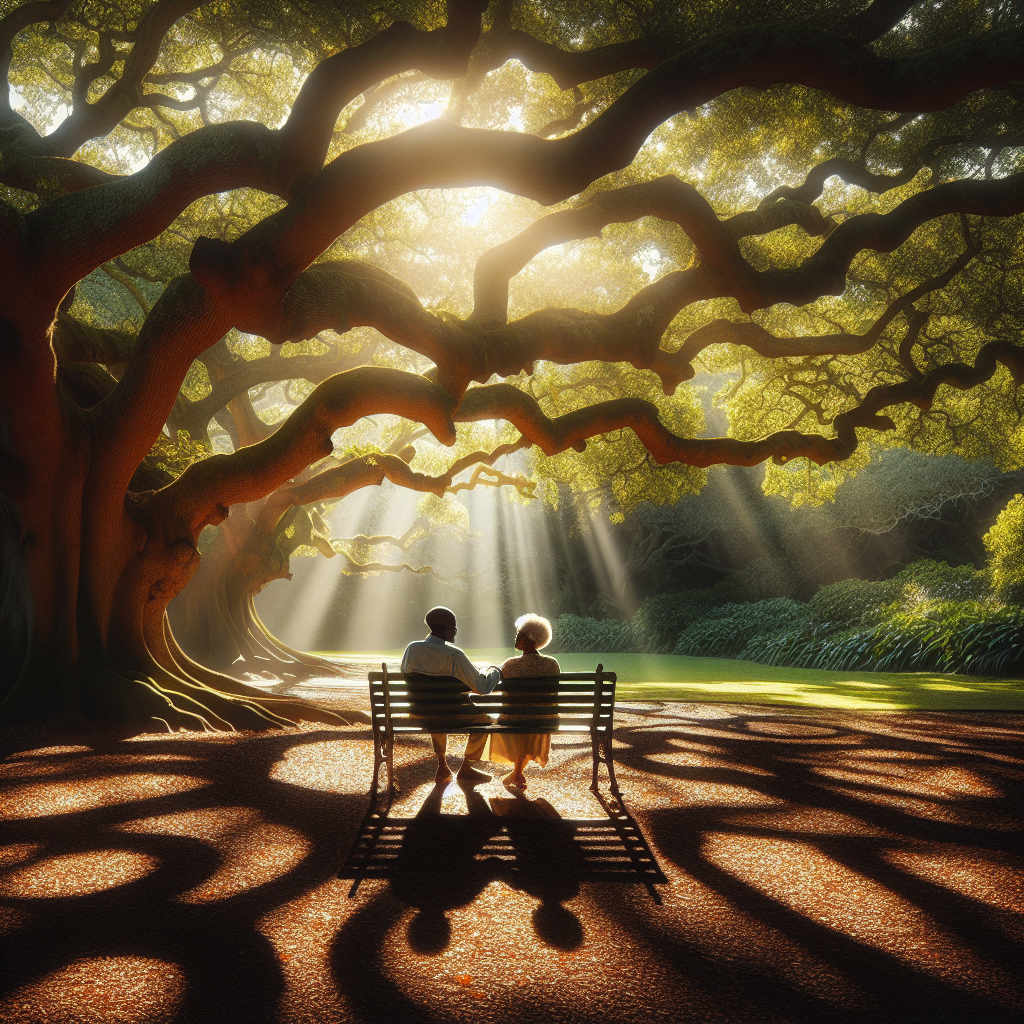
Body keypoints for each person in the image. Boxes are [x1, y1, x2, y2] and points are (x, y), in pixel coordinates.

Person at [401, 606, 502, 785]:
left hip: (419, 712)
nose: (455, 632)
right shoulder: (454, 654)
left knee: (436, 711)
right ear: (447, 629)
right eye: (454, 629)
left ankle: (442, 765)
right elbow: (483, 687)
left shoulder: (412, 649)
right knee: (485, 720)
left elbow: (407, 675)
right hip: (451, 713)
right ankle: (466, 768)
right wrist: (495, 670)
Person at [486, 613, 559, 790]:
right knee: (531, 717)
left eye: (520, 633)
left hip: (513, 719)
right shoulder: (552, 664)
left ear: (530, 639)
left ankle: (516, 773)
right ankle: (517, 773)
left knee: (521, 717)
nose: (516, 636)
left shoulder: (509, 664)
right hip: (544, 720)